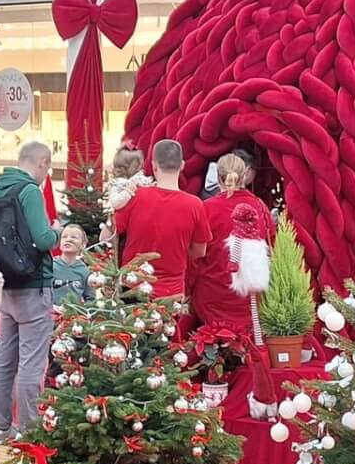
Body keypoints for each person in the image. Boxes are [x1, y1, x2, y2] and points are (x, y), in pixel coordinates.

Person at [0, 140, 59, 444]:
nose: (46, 173)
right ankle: (29, 428)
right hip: (32, 284)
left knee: (4, 357)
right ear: (41, 162)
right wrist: (58, 232)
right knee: (31, 361)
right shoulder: (29, 191)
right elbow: (42, 238)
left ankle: (0, 426)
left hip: (6, 284)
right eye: (47, 167)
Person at [191, 152, 277, 335]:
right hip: (250, 297)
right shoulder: (260, 207)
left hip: (212, 295)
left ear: (218, 177)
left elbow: (196, 254)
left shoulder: (206, 209)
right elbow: (272, 246)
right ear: (245, 174)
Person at [114, 139, 209, 300]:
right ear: (182, 165)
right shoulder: (195, 205)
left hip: (132, 285)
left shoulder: (135, 196)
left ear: (153, 165)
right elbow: (200, 251)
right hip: (171, 292)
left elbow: (111, 233)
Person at [100, 144, 152, 245]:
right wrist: (127, 191)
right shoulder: (118, 185)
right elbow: (114, 203)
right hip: (121, 230)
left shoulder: (142, 182)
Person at [51, 223, 93, 306]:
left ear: (83, 245)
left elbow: (91, 299)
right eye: (64, 237)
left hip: (74, 316)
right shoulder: (50, 266)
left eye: (74, 237)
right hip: (50, 315)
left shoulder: (86, 271)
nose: (68, 240)